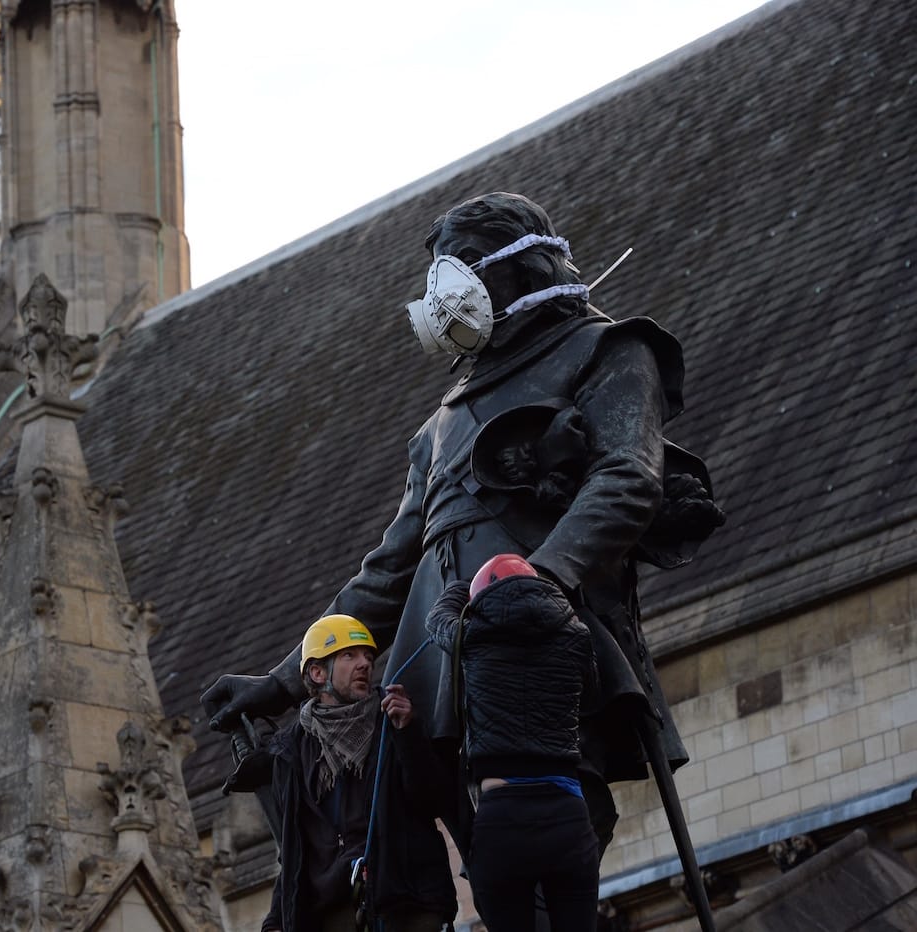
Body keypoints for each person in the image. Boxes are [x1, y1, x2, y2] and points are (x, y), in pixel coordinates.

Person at [203, 192, 724, 861]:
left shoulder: (606, 350)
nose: (449, 288)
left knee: (553, 828)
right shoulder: (441, 421)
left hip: (538, 640)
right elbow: (390, 569)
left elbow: (627, 479)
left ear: (524, 268)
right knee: (480, 841)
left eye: (466, 264)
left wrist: (536, 581)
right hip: (440, 654)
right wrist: (285, 678)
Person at [426, 556, 598, 932]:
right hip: (568, 814)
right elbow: (592, 693)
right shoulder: (576, 636)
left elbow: (436, 620)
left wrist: (460, 589)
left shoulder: (470, 635)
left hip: (503, 819)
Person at [257, 614, 456, 932]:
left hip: (405, 903)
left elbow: (431, 801)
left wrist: (409, 735)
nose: (364, 663)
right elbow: (294, 849)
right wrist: (276, 921)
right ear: (318, 673)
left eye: (368, 656)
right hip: (332, 912)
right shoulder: (291, 751)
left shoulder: (393, 720)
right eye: (349, 655)